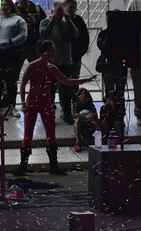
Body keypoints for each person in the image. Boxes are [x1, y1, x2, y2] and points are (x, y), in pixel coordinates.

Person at [15, 40, 96, 176]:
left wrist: (85, 80)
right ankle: (23, 166)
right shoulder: (32, 66)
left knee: (50, 133)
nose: (55, 52)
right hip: (33, 102)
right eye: (52, 49)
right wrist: (23, 103)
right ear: (45, 52)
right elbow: (23, 85)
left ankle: (53, 166)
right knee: (28, 132)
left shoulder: (51, 68)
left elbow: (67, 81)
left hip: (45, 102)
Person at [40, 1, 79, 125]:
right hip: (51, 61)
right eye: (58, 14)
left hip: (65, 61)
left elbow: (75, 35)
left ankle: (67, 114)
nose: (59, 16)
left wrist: (69, 22)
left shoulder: (66, 22)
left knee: (66, 90)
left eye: (61, 14)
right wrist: (53, 21)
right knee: (49, 89)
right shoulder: (46, 21)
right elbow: (44, 35)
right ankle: (48, 114)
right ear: (53, 12)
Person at [0, 0, 27, 118]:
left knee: (11, 80)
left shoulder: (18, 19)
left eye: (6, 5)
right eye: (2, 5)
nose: (3, 7)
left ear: (11, 7)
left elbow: (23, 35)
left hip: (12, 52)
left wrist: (12, 42)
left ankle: (11, 105)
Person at [64, 0, 90, 90]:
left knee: (74, 80)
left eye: (74, 8)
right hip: (61, 57)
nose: (73, 10)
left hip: (74, 56)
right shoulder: (60, 19)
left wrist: (80, 53)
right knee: (62, 81)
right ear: (65, 7)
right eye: (71, 7)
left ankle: (75, 100)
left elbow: (85, 38)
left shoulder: (78, 20)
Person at [72, 88, 99, 152]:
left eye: (86, 96)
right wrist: (85, 117)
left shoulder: (91, 105)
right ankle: (78, 142)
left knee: (97, 120)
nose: (85, 98)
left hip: (89, 125)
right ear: (79, 96)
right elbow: (74, 115)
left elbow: (95, 114)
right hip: (80, 126)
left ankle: (100, 140)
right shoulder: (75, 105)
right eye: (83, 96)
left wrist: (92, 116)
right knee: (77, 121)